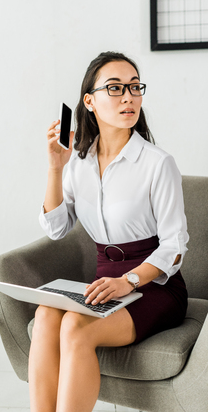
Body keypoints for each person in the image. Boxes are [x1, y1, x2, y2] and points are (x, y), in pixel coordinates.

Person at [29, 51, 188, 412]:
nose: (128, 97)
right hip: (104, 286)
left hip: (153, 287)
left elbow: (175, 246)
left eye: (134, 87)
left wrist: (128, 280)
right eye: (115, 88)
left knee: (75, 328)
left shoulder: (157, 164)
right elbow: (56, 228)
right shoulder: (77, 162)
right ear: (90, 101)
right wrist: (56, 168)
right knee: (45, 314)